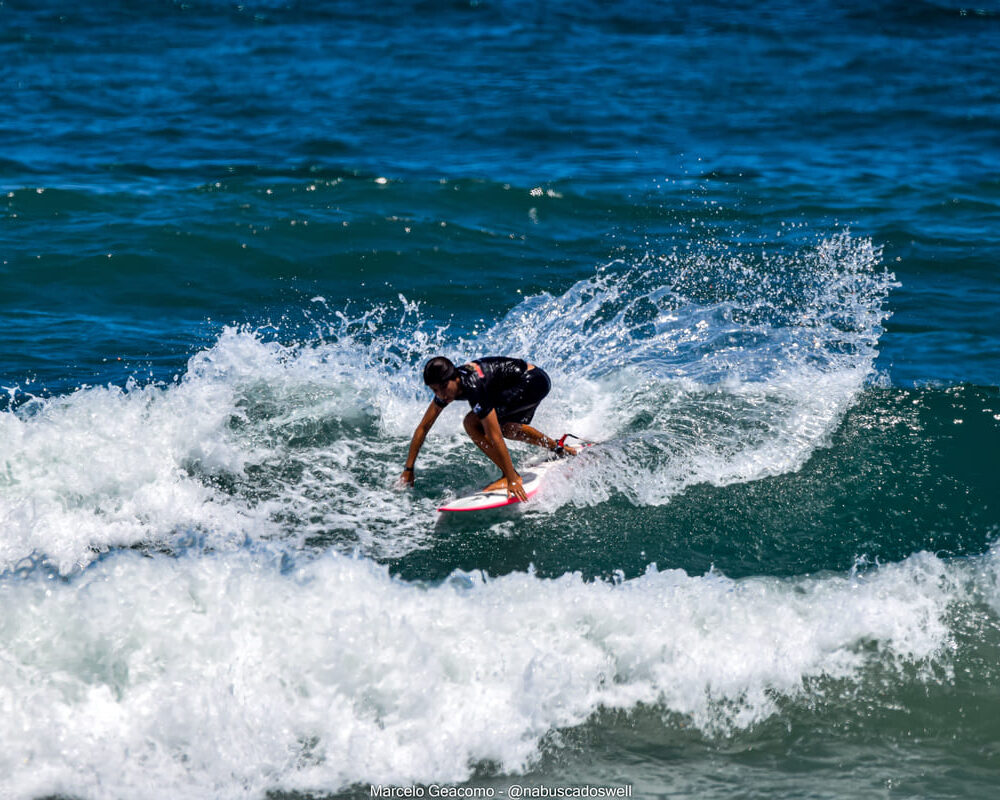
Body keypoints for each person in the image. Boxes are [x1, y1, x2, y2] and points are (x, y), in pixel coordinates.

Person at [399, 356, 576, 500]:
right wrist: (408, 469)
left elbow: (494, 436)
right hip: (520, 383)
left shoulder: (473, 386)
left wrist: (513, 480)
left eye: (444, 387)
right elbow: (423, 428)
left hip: (532, 382)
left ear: (455, 378)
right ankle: (559, 448)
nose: (441, 394)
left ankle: (510, 475)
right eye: (435, 390)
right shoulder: (447, 391)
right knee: (509, 430)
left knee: (471, 423)